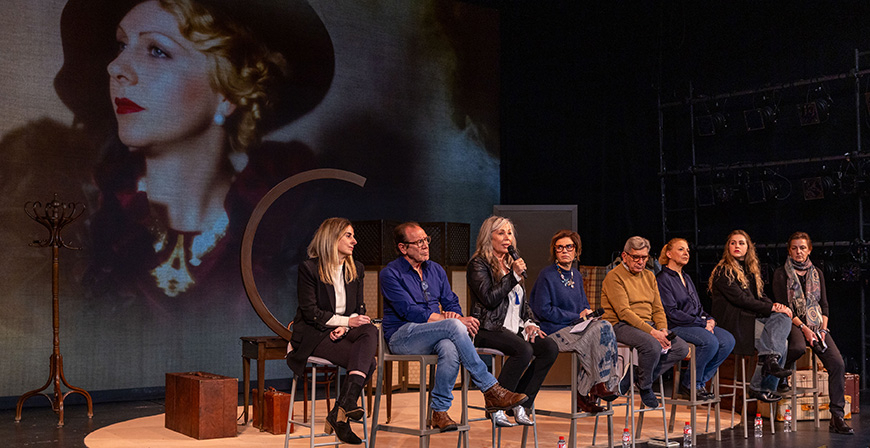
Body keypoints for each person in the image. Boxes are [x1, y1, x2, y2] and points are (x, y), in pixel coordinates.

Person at [54, 0, 333, 300]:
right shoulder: (87, 217)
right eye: (122, 45)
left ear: (227, 92)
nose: (116, 67)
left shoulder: (285, 225)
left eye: (157, 50)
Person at [381, 222, 528, 431]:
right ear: (403, 248)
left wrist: (454, 315)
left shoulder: (436, 270)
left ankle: (439, 412)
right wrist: (450, 320)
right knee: (453, 326)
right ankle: (491, 388)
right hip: (402, 335)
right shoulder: (390, 273)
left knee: (449, 347)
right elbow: (409, 311)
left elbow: (451, 301)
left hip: (433, 333)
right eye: (418, 242)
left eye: (426, 240)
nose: (425, 245)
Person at [285, 218, 377, 444]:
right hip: (313, 333)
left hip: (341, 329)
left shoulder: (356, 269)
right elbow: (311, 313)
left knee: (369, 329)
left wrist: (344, 328)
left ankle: (343, 407)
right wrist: (345, 322)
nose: (354, 241)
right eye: (348, 235)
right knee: (368, 363)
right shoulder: (309, 269)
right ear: (332, 238)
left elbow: (358, 310)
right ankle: (341, 414)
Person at [467, 217, 558, 425]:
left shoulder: (511, 263)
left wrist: (530, 322)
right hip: (487, 327)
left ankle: (521, 402)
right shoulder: (478, 264)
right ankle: (496, 404)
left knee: (549, 348)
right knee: (523, 349)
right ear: (488, 237)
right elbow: (489, 299)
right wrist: (513, 277)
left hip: (514, 328)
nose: (507, 237)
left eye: (509, 233)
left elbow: (521, 302)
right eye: (501, 233)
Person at [772, 232, 853, 435]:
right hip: (792, 321)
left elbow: (824, 305)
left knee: (837, 363)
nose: (798, 252)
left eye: (802, 248)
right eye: (794, 248)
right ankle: (780, 374)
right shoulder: (781, 273)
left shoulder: (817, 272)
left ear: (809, 250)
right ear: (789, 250)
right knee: (798, 347)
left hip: (817, 324)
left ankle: (837, 416)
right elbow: (784, 308)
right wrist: (805, 329)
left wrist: (823, 330)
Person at [530, 230, 619, 414]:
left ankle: (590, 391)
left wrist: (588, 313)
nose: (564, 251)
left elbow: (583, 304)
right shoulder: (547, 275)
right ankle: (596, 386)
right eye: (560, 247)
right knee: (601, 330)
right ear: (554, 251)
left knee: (603, 328)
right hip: (553, 330)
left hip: (576, 328)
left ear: (576, 250)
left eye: (569, 247)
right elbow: (543, 310)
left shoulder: (576, 275)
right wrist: (575, 317)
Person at [601, 236, 689, 408]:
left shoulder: (649, 276)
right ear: (625, 256)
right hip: (620, 325)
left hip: (648, 325)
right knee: (652, 345)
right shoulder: (614, 276)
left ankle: (636, 376)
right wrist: (653, 333)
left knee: (680, 348)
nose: (641, 262)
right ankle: (646, 387)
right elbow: (624, 312)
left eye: (644, 257)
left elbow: (658, 308)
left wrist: (662, 329)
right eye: (636, 257)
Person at [708, 230, 793, 403]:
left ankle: (765, 372)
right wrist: (771, 307)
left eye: (741, 243)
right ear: (728, 247)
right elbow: (741, 300)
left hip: (750, 319)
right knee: (779, 344)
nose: (736, 246)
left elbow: (760, 296)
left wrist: (777, 307)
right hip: (735, 324)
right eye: (733, 243)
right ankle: (761, 387)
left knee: (783, 318)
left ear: (748, 247)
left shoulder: (750, 270)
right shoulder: (723, 271)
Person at [656, 238, 734, 400]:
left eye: (687, 250)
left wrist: (709, 320)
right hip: (676, 325)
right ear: (669, 254)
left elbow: (697, 307)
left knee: (727, 341)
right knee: (710, 342)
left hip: (695, 324)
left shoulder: (686, 277)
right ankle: (690, 384)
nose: (686, 253)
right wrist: (702, 323)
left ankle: (699, 382)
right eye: (681, 249)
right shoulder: (663, 279)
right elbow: (672, 312)